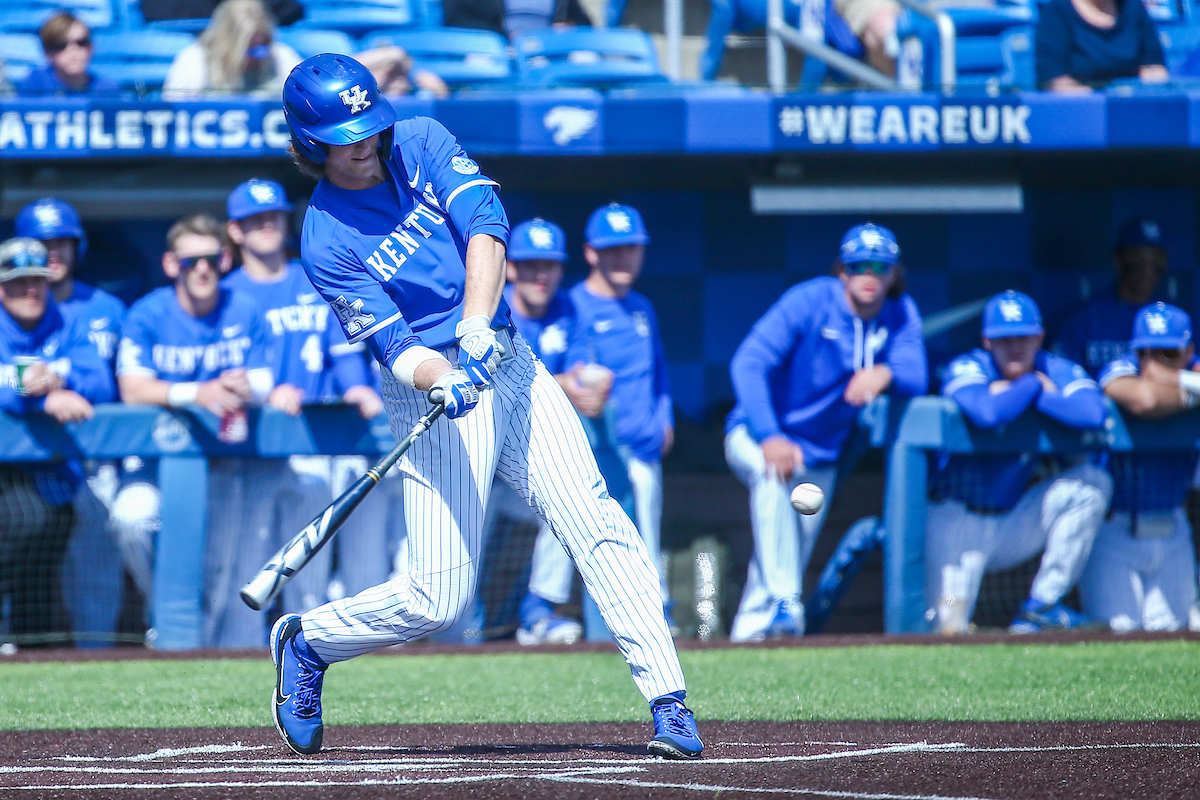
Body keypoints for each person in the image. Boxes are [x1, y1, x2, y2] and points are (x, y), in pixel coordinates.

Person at [272, 54, 701, 760]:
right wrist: (441, 375)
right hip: (432, 394)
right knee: (436, 602)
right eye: (347, 134)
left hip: (507, 357)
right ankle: (310, 639)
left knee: (593, 518)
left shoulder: (420, 139)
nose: (366, 143)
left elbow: (485, 226)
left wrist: (476, 327)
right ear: (312, 142)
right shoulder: (325, 238)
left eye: (369, 126)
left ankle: (670, 701)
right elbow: (394, 346)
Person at [724, 223, 927, 641]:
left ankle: (747, 636)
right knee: (770, 478)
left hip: (819, 455)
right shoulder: (811, 300)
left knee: (785, 547)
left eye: (880, 267)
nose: (869, 275)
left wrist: (884, 372)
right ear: (842, 270)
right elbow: (747, 362)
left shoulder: (901, 311)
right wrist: (771, 436)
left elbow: (917, 374)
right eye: (858, 266)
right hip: (755, 433)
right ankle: (786, 603)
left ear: (894, 273)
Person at [114, 213, 279, 648]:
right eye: (190, 262)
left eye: (209, 259)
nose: (201, 269)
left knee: (219, 572)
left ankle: (193, 660)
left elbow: (265, 380)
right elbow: (131, 389)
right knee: (130, 519)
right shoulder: (148, 312)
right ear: (171, 265)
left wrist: (248, 387)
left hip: (224, 460)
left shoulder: (243, 309)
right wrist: (196, 392)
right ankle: (162, 616)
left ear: (224, 259)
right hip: (153, 462)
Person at [222, 178, 385, 617]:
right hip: (256, 447)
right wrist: (262, 391)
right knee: (248, 565)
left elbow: (344, 350)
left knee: (322, 572)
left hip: (325, 436)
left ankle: (322, 643)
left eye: (273, 215)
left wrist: (358, 388)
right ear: (235, 230)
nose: (267, 226)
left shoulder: (313, 275)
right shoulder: (226, 293)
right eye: (254, 220)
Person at [927, 290, 1112, 635]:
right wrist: (1033, 387)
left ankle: (1041, 607)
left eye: (1023, 338)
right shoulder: (969, 365)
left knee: (1091, 484)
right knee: (948, 627)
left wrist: (1031, 390)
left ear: (1039, 338)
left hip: (1011, 523)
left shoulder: (1052, 367)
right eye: (1003, 339)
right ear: (986, 341)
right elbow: (986, 412)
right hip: (954, 525)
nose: (1014, 347)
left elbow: (1094, 412)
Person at [14, 198, 127, 647]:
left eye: (63, 242)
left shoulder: (108, 308)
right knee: (26, 575)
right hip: (26, 469)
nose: (54, 253)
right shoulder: (9, 308)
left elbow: (110, 383)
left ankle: (97, 664)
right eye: (43, 243)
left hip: (94, 457)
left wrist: (60, 380)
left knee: (96, 577)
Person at [488, 218, 603, 646]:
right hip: (480, 462)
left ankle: (539, 609)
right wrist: (565, 385)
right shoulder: (491, 308)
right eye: (531, 264)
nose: (541, 275)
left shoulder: (568, 310)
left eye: (550, 265)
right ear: (511, 267)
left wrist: (591, 385)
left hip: (525, 468)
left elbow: (581, 371)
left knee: (569, 498)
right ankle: (430, 628)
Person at [562, 203, 677, 628]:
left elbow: (659, 371)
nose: (623, 257)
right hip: (600, 452)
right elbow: (571, 372)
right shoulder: (574, 304)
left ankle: (648, 614)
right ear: (591, 253)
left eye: (631, 248)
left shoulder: (642, 307)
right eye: (613, 250)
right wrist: (580, 388)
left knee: (647, 537)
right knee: (613, 546)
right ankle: (634, 618)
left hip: (645, 449)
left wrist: (666, 419)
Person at [1086, 302, 1200, 631]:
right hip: (1115, 527)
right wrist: (1191, 391)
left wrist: (1172, 379)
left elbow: (1157, 385)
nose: (1155, 363)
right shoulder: (1120, 367)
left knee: (1172, 639)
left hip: (1174, 525)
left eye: (1169, 353)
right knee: (1117, 633)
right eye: (1147, 352)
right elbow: (1145, 399)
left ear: (1189, 350)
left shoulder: (1190, 368)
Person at [1053, 217, 1171, 377]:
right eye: (1138, 257)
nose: (1147, 268)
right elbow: (1061, 376)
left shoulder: (1174, 319)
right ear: (1119, 260)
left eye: (1156, 258)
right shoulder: (1084, 319)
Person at [162, 0, 302, 100]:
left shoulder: (280, 56)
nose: (256, 57)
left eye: (261, 48)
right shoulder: (195, 59)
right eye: (250, 50)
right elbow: (172, 111)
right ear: (227, 45)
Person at [1036, 0, 1168, 92]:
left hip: (1131, 106)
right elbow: (1054, 80)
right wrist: (1101, 102)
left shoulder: (1133, 6)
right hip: (1081, 111)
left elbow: (1154, 67)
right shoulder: (1057, 11)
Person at [16, 11, 119, 97]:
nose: (73, 51)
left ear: (91, 47)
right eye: (61, 45)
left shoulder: (107, 90)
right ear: (47, 52)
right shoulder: (35, 84)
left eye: (81, 42)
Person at [354, 47, 451, 99]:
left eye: (399, 73)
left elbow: (444, 101)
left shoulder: (420, 89)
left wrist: (438, 89)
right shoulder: (361, 98)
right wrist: (394, 55)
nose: (398, 80)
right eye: (389, 73)